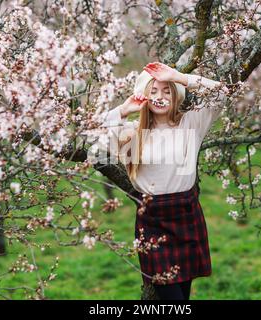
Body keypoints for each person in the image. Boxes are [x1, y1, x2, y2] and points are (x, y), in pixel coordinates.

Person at [89, 61, 228, 300]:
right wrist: (121, 111)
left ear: (176, 96)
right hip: (153, 220)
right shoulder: (133, 132)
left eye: (167, 91)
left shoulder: (191, 124)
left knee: (183, 296)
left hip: (186, 214)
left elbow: (223, 93)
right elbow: (94, 149)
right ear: (144, 96)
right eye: (153, 91)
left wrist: (180, 77)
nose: (160, 97)